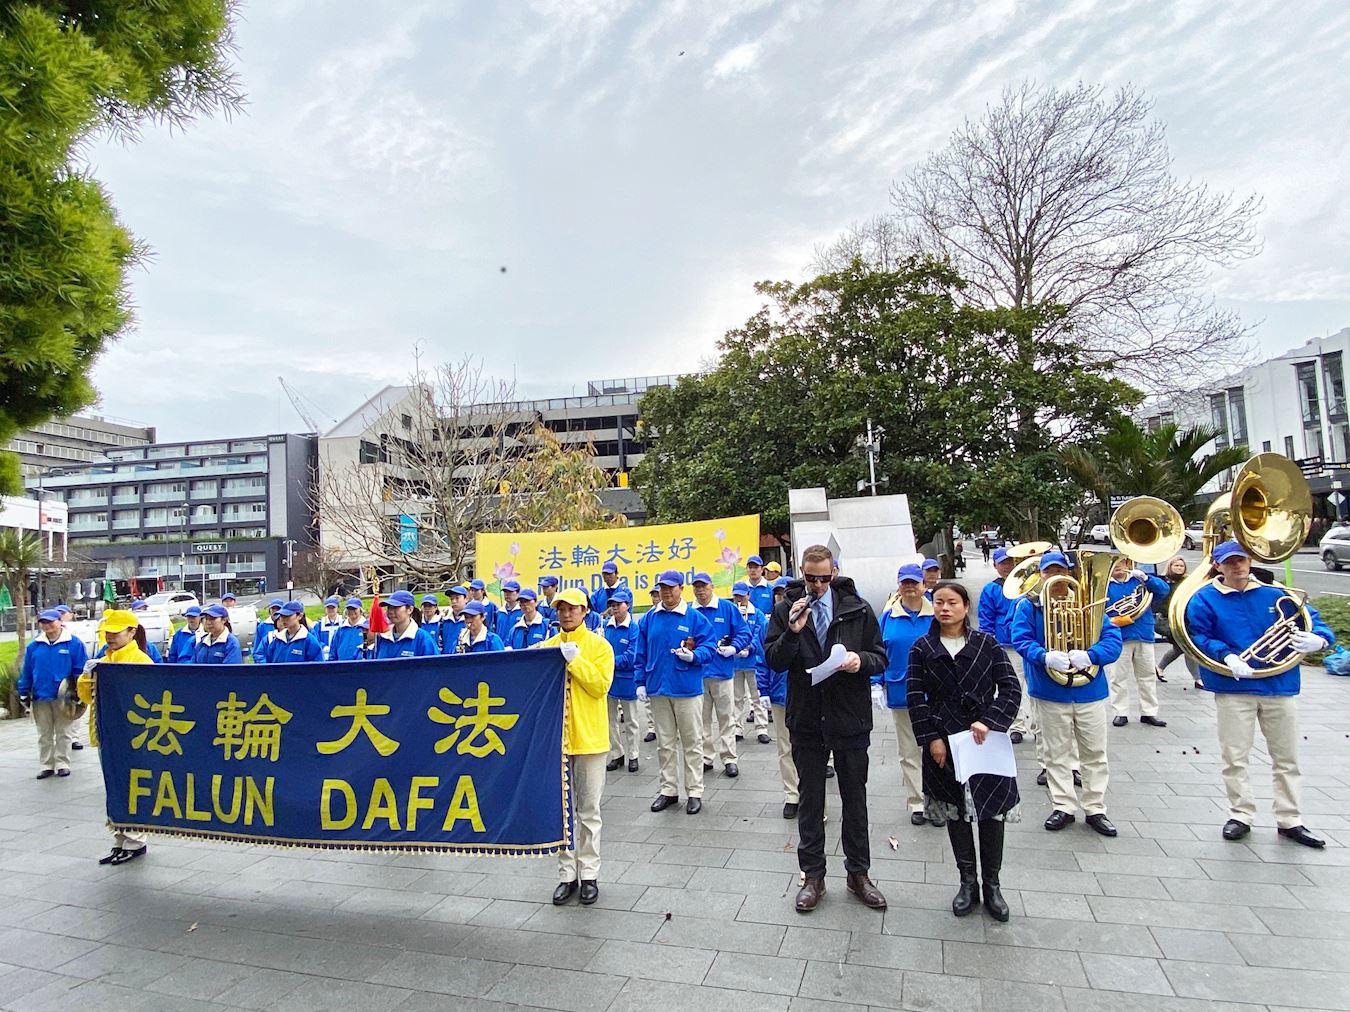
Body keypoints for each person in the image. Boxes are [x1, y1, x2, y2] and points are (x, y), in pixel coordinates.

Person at [1184, 540, 1334, 848]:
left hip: (1279, 685)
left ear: (1250, 561)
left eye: (1241, 560)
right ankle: (1240, 814)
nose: (1237, 566)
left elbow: (1315, 622)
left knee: (1287, 757)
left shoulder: (1276, 593)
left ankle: (1290, 819)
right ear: (1218, 566)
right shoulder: (1205, 598)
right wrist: (1226, 655)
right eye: (1229, 562)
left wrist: (1319, 640)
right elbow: (1199, 634)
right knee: (1234, 756)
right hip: (1233, 687)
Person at [764, 544, 888, 914]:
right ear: (801, 573)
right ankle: (812, 875)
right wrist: (790, 632)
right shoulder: (787, 608)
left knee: (855, 799)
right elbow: (773, 658)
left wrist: (858, 660)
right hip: (806, 718)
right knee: (810, 800)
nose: (816, 584)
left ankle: (858, 874)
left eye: (823, 577)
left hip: (849, 716)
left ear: (834, 572)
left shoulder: (857, 608)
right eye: (809, 577)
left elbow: (880, 656)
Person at [908, 581, 1022, 921]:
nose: (945, 608)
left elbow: (1011, 689)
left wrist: (991, 721)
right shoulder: (922, 647)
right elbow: (915, 696)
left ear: (965, 606)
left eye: (952, 602)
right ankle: (967, 883)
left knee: (990, 814)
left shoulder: (987, 644)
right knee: (956, 813)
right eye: (939, 602)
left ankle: (993, 885)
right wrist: (932, 738)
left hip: (984, 741)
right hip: (945, 738)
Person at [1012, 551, 1123, 837]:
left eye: (1062, 570)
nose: (1056, 576)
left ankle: (1096, 807)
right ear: (1043, 576)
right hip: (1049, 690)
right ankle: (1063, 805)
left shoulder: (1090, 603)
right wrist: (1045, 656)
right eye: (1050, 572)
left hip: (1090, 691)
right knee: (1055, 754)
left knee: (1095, 753)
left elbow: (1113, 641)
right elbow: (1020, 639)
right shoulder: (1029, 605)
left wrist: (1091, 654)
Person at [541, 588, 614, 906]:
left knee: (588, 811)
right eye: (561, 609)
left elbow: (600, 686)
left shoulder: (599, 646)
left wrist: (576, 661)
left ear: (585, 611)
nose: (566, 614)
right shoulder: (547, 647)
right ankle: (566, 875)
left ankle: (589, 874)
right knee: (562, 813)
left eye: (572, 608)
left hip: (590, 739)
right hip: (556, 741)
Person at [632, 570, 715, 814]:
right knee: (665, 744)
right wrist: (640, 682)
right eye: (662, 588)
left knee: (692, 742)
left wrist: (695, 656)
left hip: (687, 689)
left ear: (681, 588)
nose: (666, 593)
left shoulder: (694, 618)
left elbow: (710, 646)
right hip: (658, 688)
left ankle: (695, 791)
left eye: (671, 588)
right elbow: (641, 652)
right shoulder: (649, 618)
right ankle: (668, 789)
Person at [78, 609, 153, 864]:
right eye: (107, 632)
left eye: (115, 632)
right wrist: (87, 678)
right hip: (106, 733)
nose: (110, 637)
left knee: (132, 787)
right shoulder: (104, 659)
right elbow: (87, 698)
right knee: (115, 788)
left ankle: (136, 840)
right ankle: (120, 837)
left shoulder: (140, 661)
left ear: (131, 632)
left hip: (130, 736)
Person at [876, 564, 933, 827]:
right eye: (905, 583)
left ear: (924, 585)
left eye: (915, 582)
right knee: (909, 750)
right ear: (899, 585)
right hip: (901, 691)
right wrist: (875, 683)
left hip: (936, 693)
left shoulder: (938, 613)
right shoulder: (888, 616)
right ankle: (917, 801)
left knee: (936, 748)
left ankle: (938, 799)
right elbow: (877, 650)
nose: (910, 587)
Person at [691, 572, 752, 778]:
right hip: (698, 673)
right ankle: (706, 757)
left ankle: (729, 758)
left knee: (727, 717)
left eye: (703, 586)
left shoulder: (726, 608)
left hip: (722, 671)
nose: (700, 591)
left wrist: (734, 648)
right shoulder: (691, 611)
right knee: (701, 719)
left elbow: (744, 632)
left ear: (711, 587)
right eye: (696, 587)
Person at [977, 547, 1036, 749]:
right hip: (1005, 644)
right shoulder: (991, 589)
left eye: (1010, 562)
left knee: (1034, 685)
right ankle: (1016, 726)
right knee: (1013, 686)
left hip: (1030, 642)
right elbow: (986, 618)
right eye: (1003, 563)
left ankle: (1038, 726)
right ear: (995, 566)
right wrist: (989, 644)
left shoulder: (1029, 583)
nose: (1007, 566)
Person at [18, 608, 88, 779]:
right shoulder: (34, 646)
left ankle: (62, 762)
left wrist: (79, 692)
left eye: (51, 621)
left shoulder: (73, 643)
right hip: (41, 695)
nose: (47, 625)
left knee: (64, 731)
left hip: (64, 697)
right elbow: (27, 671)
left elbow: (81, 669)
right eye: (44, 622)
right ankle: (46, 764)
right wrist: (23, 691)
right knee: (44, 733)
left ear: (60, 621)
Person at [1104, 557, 1170, 728]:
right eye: (1113, 565)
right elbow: (1100, 610)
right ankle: (1121, 712)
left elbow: (1164, 590)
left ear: (1128, 564)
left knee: (1147, 676)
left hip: (1143, 633)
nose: (1118, 567)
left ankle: (1149, 712)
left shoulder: (1139, 581)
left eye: (1121, 564)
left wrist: (1147, 578)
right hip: (1119, 636)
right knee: (1117, 677)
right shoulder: (1105, 585)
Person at [758, 628, 798, 818]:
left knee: (813, 751)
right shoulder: (775, 622)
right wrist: (763, 689)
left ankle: (812, 797)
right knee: (785, 748)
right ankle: (792, 796)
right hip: (780, 693)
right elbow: (763, 656)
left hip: (809, 694)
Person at [603, 588, 642, 772]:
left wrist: (608, 662)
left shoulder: (634, 628)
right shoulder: (606, 626)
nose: (615, 608)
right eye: (613, 605)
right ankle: (616, 754)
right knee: (609, 721)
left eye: (619, 604)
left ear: (628, 606)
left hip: (627, 679)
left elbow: (631, 656)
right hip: (609, 680)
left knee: (631, 720)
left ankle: (633, 755)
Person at [731, 582, 770, 745]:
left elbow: (759, 633)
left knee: (757, 696)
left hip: (753, 662)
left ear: (748, 595)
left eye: (742, 595)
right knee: (736, 697)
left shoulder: (758, 614)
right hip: (735, 662)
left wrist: (750, 647)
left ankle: (761, 728)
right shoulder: (731, 613)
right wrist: (734, 646)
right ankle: (737, 728)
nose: (739, 599)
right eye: (736, 596)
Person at [1155, 557, 1202, 689]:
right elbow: (1160, 603)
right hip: (1170, 622)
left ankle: (1159, 668)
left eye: (1181, 566)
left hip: (1186, 621)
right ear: (1170, 566)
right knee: (1188, 649)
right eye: (1176, 565)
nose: (1179, 568)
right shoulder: (1164, 582)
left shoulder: (1187, 582)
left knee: (1178, 649)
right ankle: (1198, 679)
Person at [372, 589, 439, 658]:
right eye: (389, 607)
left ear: (410, 609)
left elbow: (436, 666)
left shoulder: (423, 639)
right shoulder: (382, 638)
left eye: (395, 607)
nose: (391, 611)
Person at [252, 599, 284, 664]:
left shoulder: (289, 626)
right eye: (273, 608)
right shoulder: (262, 626)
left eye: (278, 608)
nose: (275, 611)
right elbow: (257, 650)